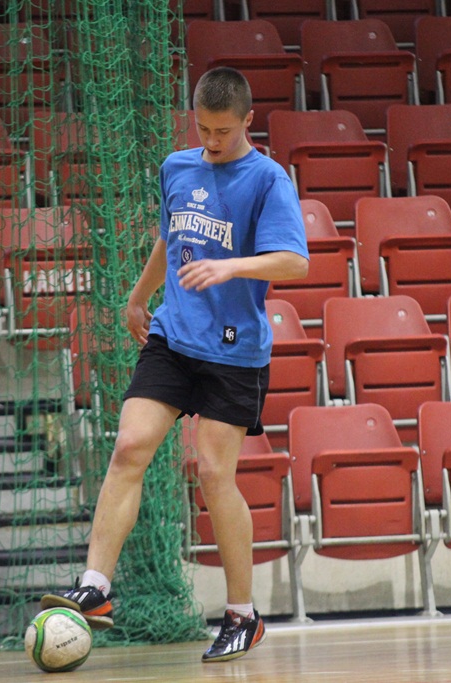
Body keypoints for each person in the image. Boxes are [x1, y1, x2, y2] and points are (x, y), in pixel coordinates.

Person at [40, 66, 309, 663]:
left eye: (222, 131)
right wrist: (139, 296)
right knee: (129, 447)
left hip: (234, 349)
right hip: (173, 335)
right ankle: (96, 587)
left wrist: (230, 266)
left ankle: (243, 613)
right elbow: (170, 238)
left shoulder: (268, 180)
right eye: (203, 129)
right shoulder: (177, 166)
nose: (211, 141)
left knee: (216, 474)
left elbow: (295, 263)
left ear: (247, 121)